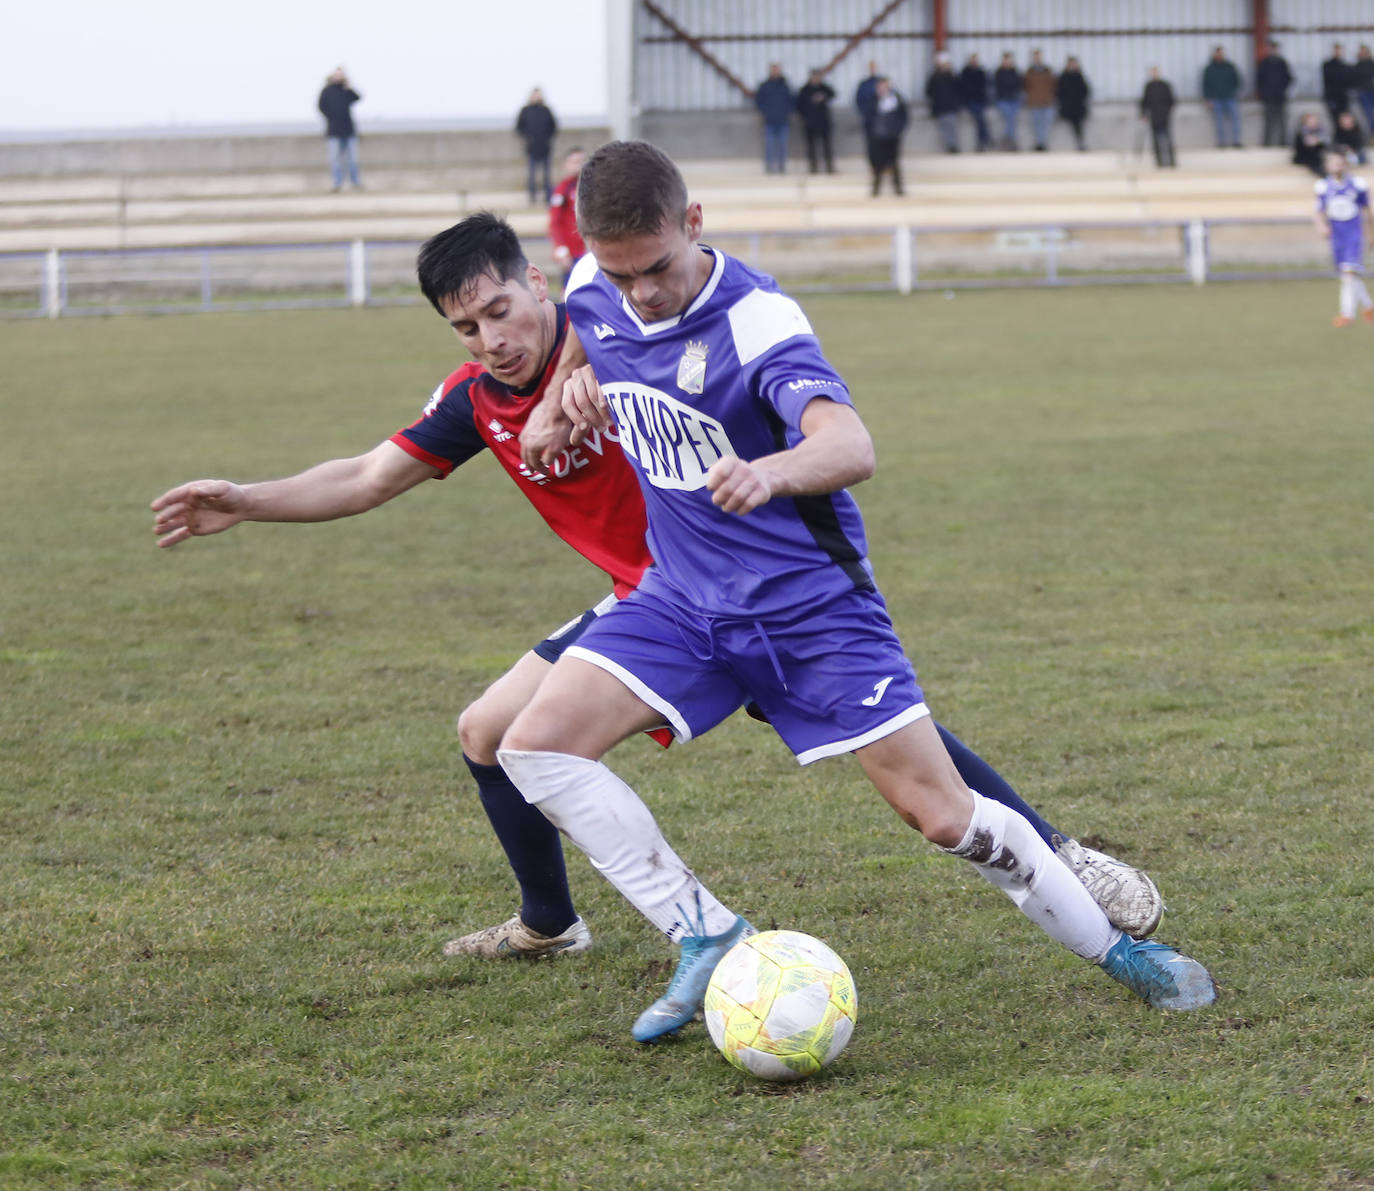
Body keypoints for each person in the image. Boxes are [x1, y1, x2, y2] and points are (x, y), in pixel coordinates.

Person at [151, 211, 1160, 969]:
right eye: (465, 327)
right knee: (488, 731)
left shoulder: (618, 333)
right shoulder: (480, 401)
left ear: (538, 282)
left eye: (500, 310)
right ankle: (551, 923)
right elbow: (369, 477)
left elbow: (665, 306)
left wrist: (599, 382)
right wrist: (248, 499)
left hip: (739, 582)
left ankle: (1060, 853)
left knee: (892, 744)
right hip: (656, 603)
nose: (491, 338)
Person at [497, 140, 1216, 1044]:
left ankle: (1120, 950)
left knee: (942, 815)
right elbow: (592, 335)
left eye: (657, 267)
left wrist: (771, 471)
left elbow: (850, 443)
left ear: (694, 223)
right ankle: (706, 932)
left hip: (810, 611)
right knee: (534, 745)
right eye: (620, 273)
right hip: (683, 599)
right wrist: (560, 402)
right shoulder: (594, 289)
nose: (640, 292)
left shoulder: (757, 319)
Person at [1314, 147, 1374, 327]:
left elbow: (1368, 211)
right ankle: (1369, 307)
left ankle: (1347, 314)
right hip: (1337, 236)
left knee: (1348, 274)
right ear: (1327, 165)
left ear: (1346, 165)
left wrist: (1371, 234)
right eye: (1334, 163)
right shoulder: (1323, 186)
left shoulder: (1357, 185)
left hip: (1353, 235)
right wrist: (1321, 225)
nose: (1337, 166)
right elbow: (1318, 210)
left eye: (1340, 163)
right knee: (1349, 275)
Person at [317, 67, 362, 192]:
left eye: (341, 75)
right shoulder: (327, 91)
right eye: (337, 75)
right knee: (335, 159)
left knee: (353, 159)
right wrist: (331, 117)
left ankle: (355, 182)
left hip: (349, 130)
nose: (339, 77)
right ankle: (337, 183)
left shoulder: (345, 90)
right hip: (334, 131)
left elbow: (357, 98)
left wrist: (349, 88)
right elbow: (321, 106)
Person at [549, 147, 588, 289]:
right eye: (575, 162)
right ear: (566, 165)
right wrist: (561, 250)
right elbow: (555, 222)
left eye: (582, 161)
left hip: (588, 248)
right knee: (570, 287)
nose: (579, 166)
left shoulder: (590, 188)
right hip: (572, 252)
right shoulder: (563, 189)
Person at [515, 88, 557, 204]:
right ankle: (532, 196)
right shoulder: (525, 110)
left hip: (545, 148)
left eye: (538, 95)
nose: (536, 97)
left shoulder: (546, 110)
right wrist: (528, 138)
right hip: (531, 148)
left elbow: (553, 127)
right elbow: (519, 127)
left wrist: (547, 138)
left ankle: (547, 196)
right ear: (531, 96)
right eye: (535, 95)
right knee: (532, 174)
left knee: (546, 175)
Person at [868, 77, 909, 196]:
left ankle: (898, 187)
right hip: (878, 136)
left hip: (893, 135)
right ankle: (876, 188)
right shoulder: (873, 99)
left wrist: (899, 129)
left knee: (894, 161)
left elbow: (904, 115)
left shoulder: (896, 98)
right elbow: (868, 115)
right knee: (878, 162)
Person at [755, 63, 794, 175]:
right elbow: (759, 101)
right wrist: (764, 112)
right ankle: (769, 167)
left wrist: (788, 112)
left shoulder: (785, 85)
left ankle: (782, 167)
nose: (775, 72)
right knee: (769, 145)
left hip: (783, 120)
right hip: (769, 121)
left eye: (777, 70)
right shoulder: (765, 86)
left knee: (783, 145)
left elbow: (792, 100)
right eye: (773, 70)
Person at [797, 69, 837, 174]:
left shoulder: (823, 88)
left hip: (823, 122)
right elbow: (799, 106)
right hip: (810, 123)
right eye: (814, 77)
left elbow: (833, 94)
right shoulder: (805, 90)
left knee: (827, 145)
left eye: (818, 77)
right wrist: (805, 117)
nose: (816, 79)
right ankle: (813, 167)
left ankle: (829, 166)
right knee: (811, 147)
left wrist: (823, 96)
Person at [1256, 39, 1294, 147]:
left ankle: (1283, 141)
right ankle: (1267, 142)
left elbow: (1289, 78)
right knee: (1268, 121)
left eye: (1275, 48)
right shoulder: (1264, 63)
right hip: (1268, 97)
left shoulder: (1282, 63)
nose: (1273, 51)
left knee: (1282, 121)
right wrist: (1263, 93)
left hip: (1280, 97)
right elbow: (1259, 80)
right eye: (1271, 49)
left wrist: (1282, 89)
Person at [1202, 47, 1242, 148]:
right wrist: (1208, 98)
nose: (1219, 55)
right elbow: (1205, 85)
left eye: (1221, 53)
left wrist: (1233, 91)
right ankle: (1221, 142)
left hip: (1230, 97)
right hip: (1216, 99)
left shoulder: (1230, 67)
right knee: (1219, 122)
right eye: (1217, 54)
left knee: (1236, 119)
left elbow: (1237, 81)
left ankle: (1236, 141)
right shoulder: (1209, 69)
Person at [1140, 67, 1177, 168]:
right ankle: (1159, 162)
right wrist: (1143, 114)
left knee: (1167, 139)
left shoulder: (1165, 85)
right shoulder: (1149, 86)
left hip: (1164, 116)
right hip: (1153, 116)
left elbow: (1171, 100)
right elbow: (1144, 102)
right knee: (1155, 140)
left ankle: (1172, 161)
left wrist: (1167, 111)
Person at [925, 52, 962, 153]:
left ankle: (954, 145)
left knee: (952, 126)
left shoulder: (952, 76)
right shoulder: (934, 77)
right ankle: (949, 146)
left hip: (951, 106)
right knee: (943, 128)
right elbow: (929, 91)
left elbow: (959, 90)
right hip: (939, 107)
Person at [1023, 50, 1056, 151]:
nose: (1037, 59)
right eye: (1035, 57)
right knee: (1036, 124)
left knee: (1046, 124)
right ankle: (1038, 143)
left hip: (1047, 101)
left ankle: (1043, 143)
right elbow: (1026, 86)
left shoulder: (1047, 70)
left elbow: (1053, 84)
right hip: (1034, 102)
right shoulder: (1029, 71)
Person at [1056, 56, 1091, 151]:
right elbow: (1059, 92)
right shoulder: (1063, 77)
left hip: (1078, 106)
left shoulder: (1079, 76)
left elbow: (1086, 90)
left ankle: (1081, 144)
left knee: (1078, 125)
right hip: (1067, 106)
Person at [959, 53, 992, 152]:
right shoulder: (966, 72)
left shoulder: (981, 72)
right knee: (980, 119)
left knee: (981, 119)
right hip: (970, 100)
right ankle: (984, 140)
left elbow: (985, 86)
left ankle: (984, 140)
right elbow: (963, 87)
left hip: (980, 100)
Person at [855, 59, 883, 173]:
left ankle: (885, 165)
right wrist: (865, 114)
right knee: (871, 145)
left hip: (883, 121)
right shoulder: (864, 84)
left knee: (884, 144)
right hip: (870, 120)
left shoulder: (882, 82)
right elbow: (859, 101)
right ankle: (874, 166)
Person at [993, 52, 1023, 150]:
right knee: (1010, 118)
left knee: (1011, 120)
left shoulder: (1015, 72)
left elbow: (1018, 85)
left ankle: (1007, 139)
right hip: (1003, 100)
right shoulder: (999, 73)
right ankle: (1011, 141)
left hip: (1014, 100)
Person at [1322, 44, 1353, 131]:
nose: (1338, 53)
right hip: (1332, 97)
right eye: (1336, 51)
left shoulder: (1345, 65)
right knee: (1335, 120)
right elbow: (1330, 78)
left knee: (1345, 120)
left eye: (1340, 51)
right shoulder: (1327, 65)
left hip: (1343, 97)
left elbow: (1349, 80)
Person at [1293, 113, 1328, 177]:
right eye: (1311, 122)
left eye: (1315, 121)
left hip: (1318, 156)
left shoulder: (1320, 130)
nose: (1314, 123)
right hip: (1305, 157)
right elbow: (1303, 146)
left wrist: (1318, 141)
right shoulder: (1301, 132)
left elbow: (1326, 142)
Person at [1354, 45, 1374, 134]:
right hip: (1362, 92)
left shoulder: (1371, 64)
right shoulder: (1357, 65)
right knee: (1368, 114)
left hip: (1371, 90)